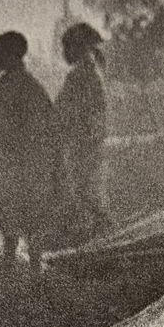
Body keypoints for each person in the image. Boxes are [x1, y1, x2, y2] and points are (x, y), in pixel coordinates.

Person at [0, 31, 57, 270]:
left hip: (21, 164)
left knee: (21, 216)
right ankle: (18, 265)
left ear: (12, 55)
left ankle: (26, 267)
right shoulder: (18, 84)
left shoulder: (20, 87)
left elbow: (35, 128)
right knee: (17, 218)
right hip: (19, 163)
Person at [55, 22, 108, 241]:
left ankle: (96, 239)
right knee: (85, 193)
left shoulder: (80, 76)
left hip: (81, 145)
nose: (64, 52)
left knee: (83, 193)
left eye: (67, 47)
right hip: (86, 143)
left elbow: (65, 110)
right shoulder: (89, 73)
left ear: (77, 48)